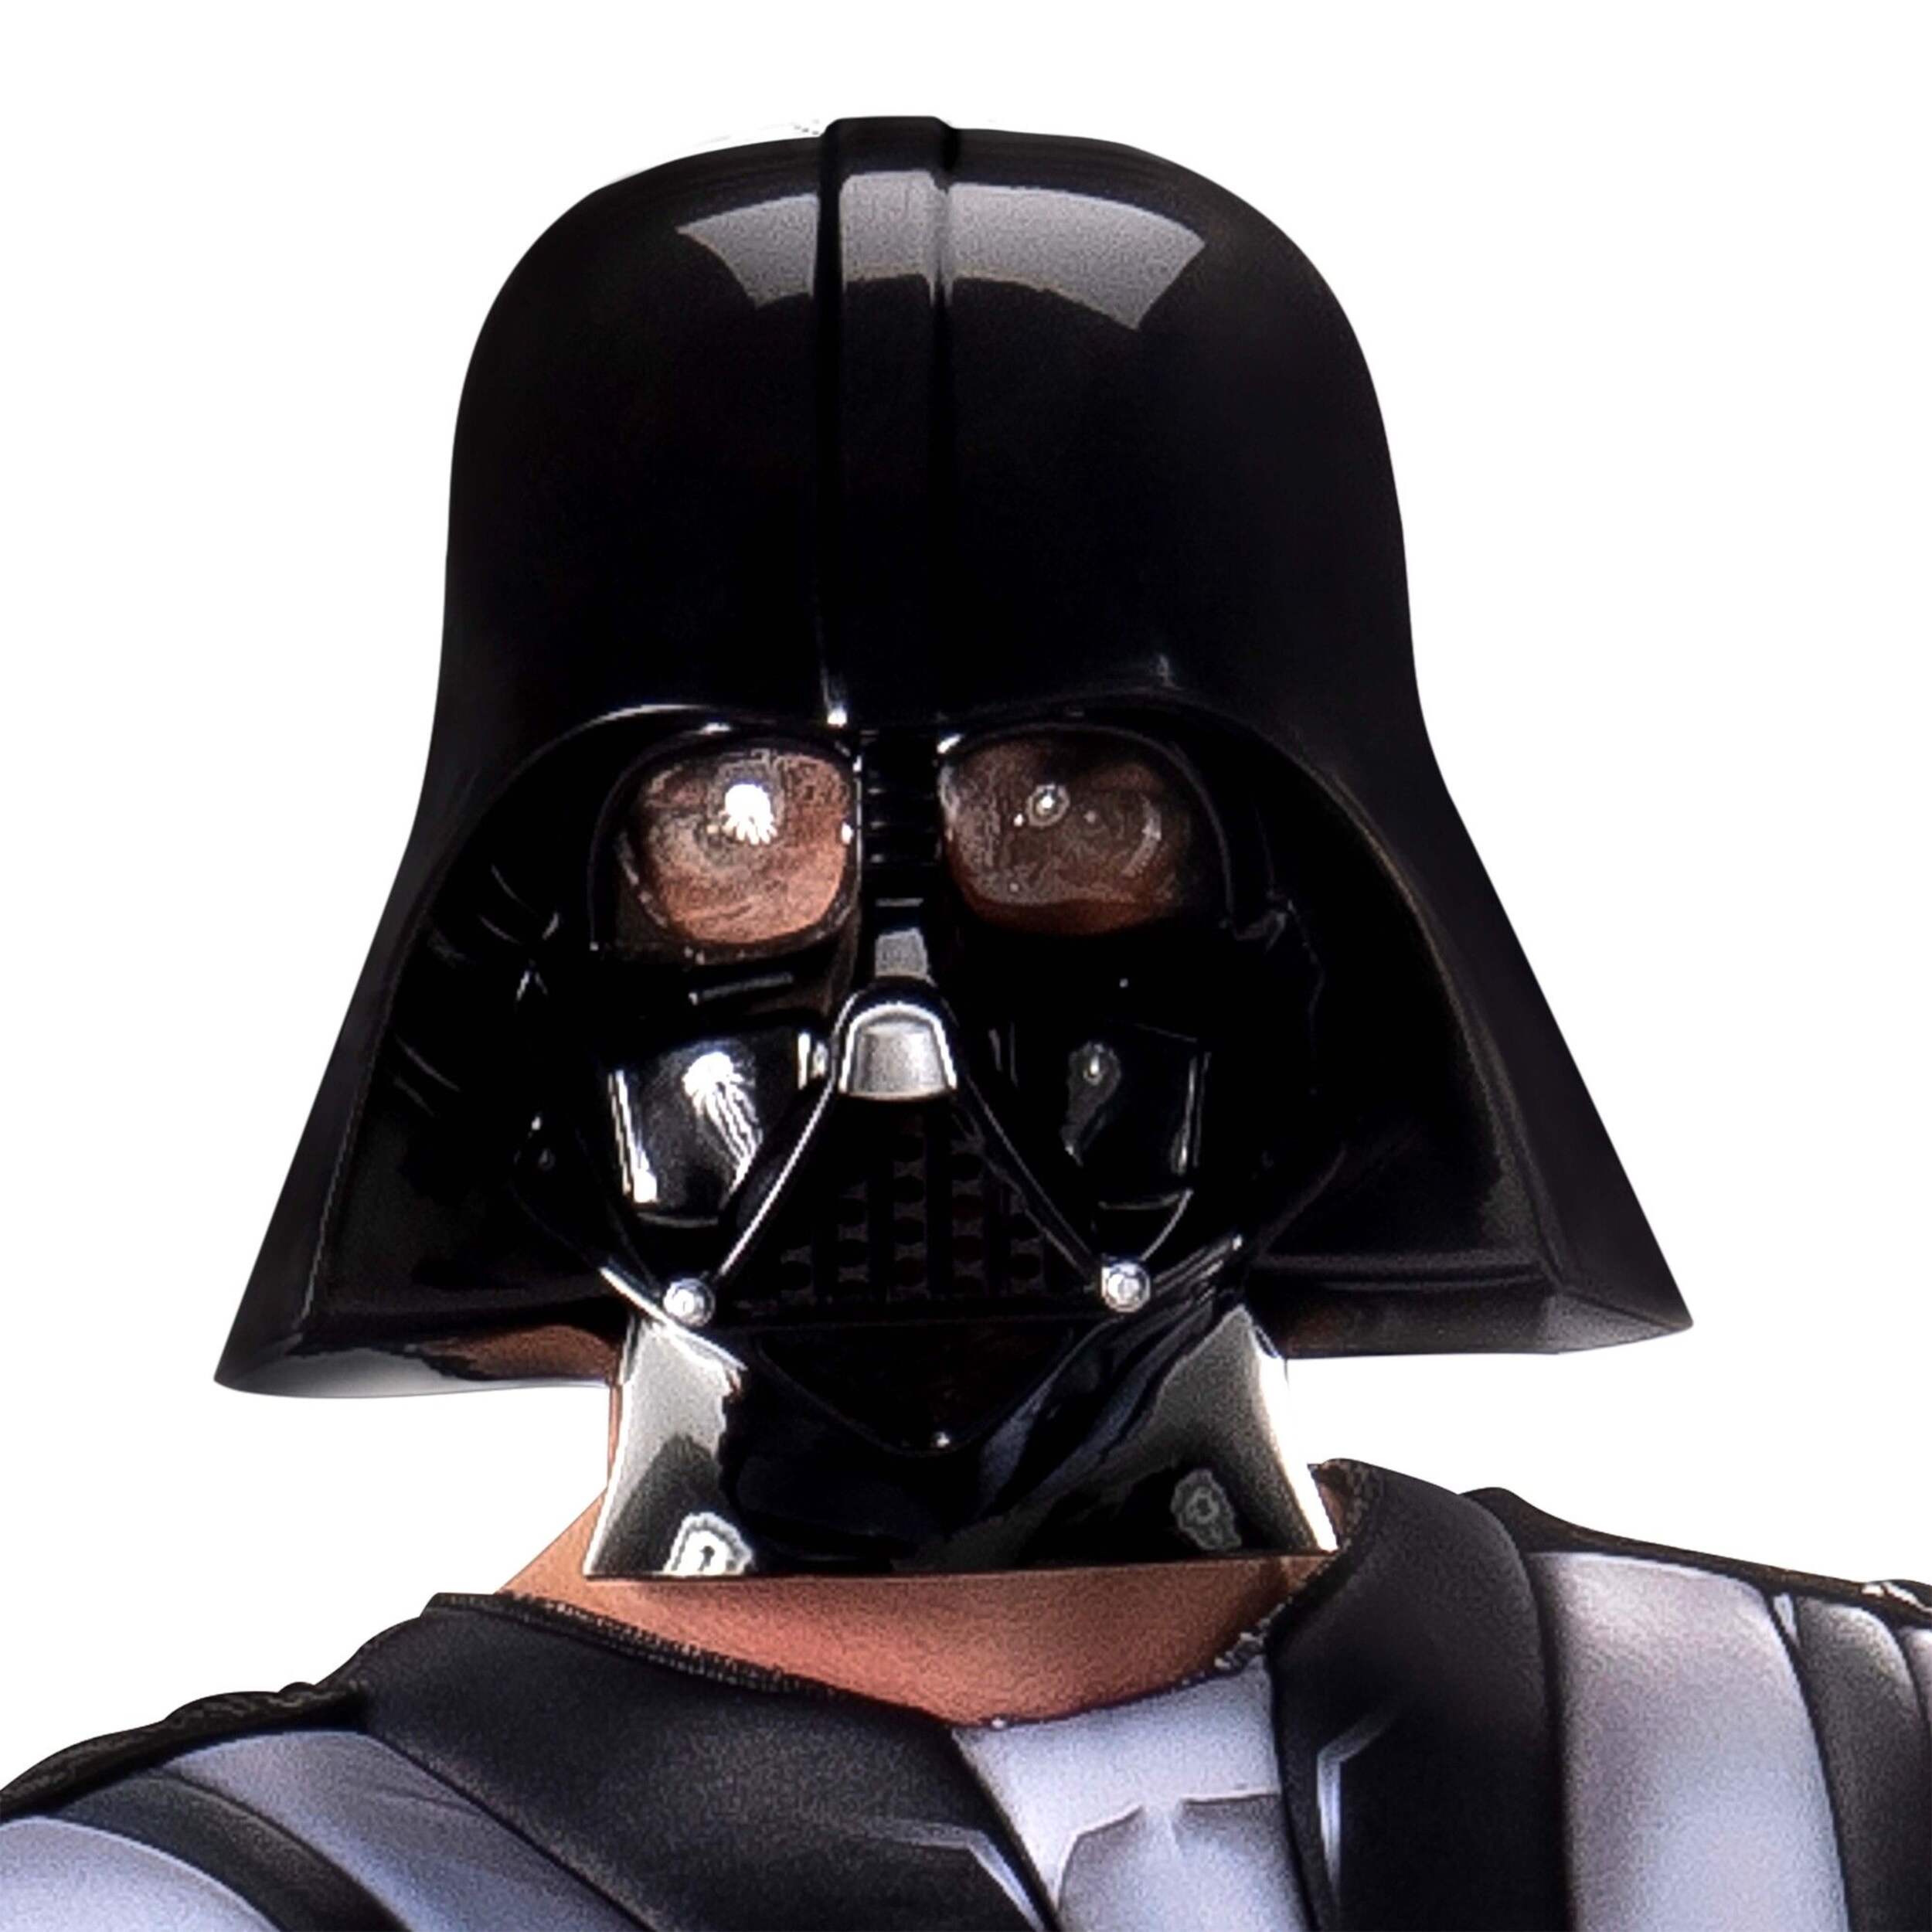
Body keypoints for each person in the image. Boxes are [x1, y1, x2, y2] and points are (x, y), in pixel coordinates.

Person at [2, 115, 1927, 1932]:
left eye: (1072, 816)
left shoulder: (1834, 1774)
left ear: (1318, 926)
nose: (895, 1034)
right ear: (522, 952)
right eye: (734, 835)